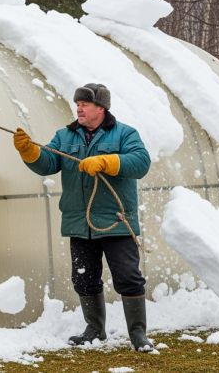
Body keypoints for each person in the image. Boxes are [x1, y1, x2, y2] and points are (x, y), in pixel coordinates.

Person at [13, 83, 153, 351]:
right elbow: (49, 163)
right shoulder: (65, 136)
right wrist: (30, 153)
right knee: (84, 278)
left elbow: (141, 163)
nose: (79, 107)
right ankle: (95, 329)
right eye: (77, 103)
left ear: (101, 108)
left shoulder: (124, 134)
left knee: (128, 278)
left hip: (116, 222)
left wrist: (108, 162)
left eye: (85, 104)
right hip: (80, 223)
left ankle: (138, 334)